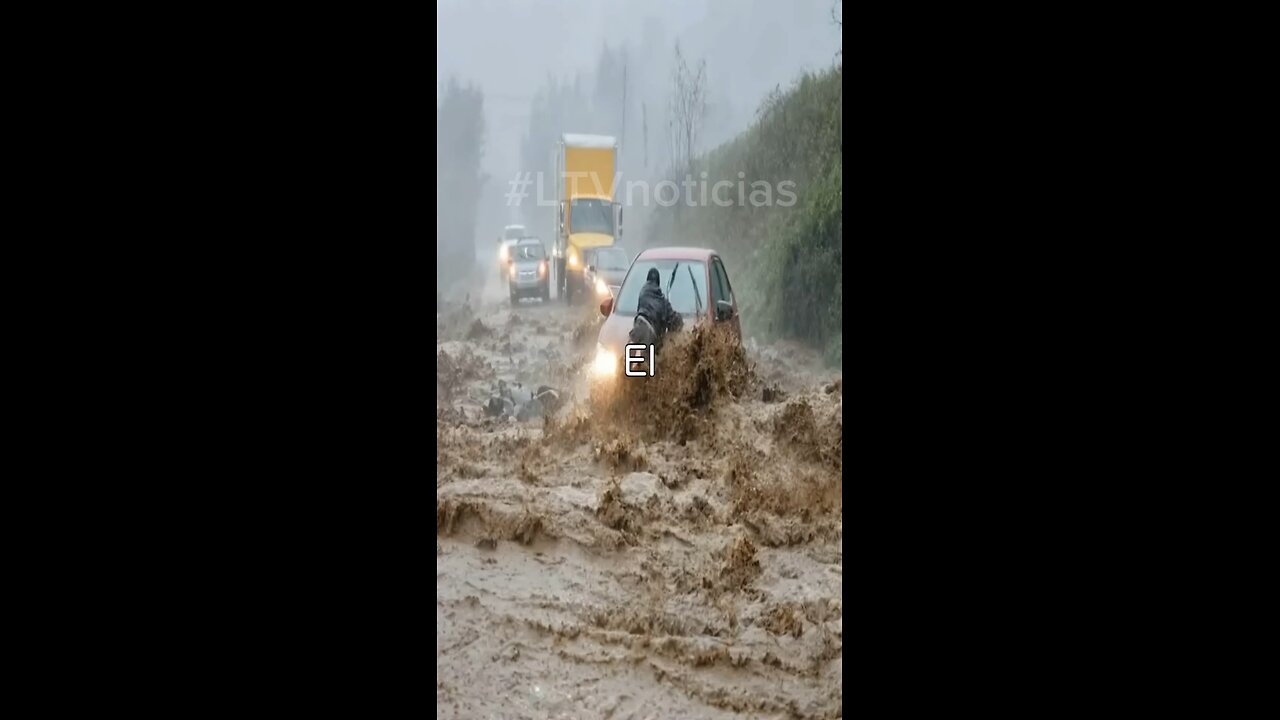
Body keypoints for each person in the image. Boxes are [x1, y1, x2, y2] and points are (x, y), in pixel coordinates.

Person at [630, 267, 683, 351]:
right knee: (648, 362)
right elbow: (674, 320)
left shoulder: (642, 294)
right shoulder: (662, 300)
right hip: (650, 333)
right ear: (658, 282)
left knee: (627, 361)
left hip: (638, 326)